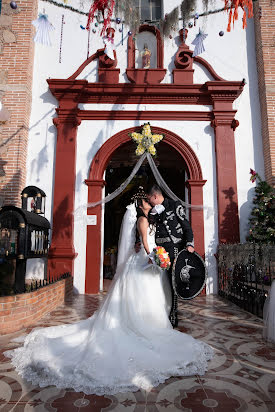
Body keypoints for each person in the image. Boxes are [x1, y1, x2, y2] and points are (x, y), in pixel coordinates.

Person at [5, 188, 213, 396]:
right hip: (145, 261)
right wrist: (156, 257)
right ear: (143, 205)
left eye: (151, 201)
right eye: (148, 202)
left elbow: (162, 235)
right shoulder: (142, 221)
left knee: (156, 296)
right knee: (140, 297)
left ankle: (157, 322)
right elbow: (148, 247)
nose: (150, 204)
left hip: (149, 262)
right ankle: (143, 326)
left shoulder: (154, 217)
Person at [146, 184, 195, 328]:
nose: (149, 202)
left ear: (155, 196)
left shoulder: (174, 205)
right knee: (158, 281)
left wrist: (189, 244)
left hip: (173, 248)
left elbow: (186, 226)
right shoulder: (152, 212)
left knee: (172, 281)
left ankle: (173, 313)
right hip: (158, 249)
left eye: (150, 199)